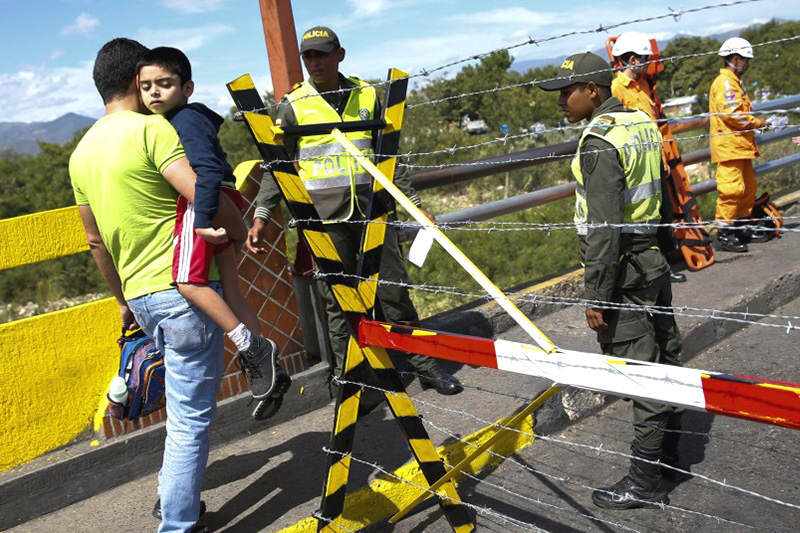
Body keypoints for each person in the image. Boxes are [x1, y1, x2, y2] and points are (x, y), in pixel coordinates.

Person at [69, 38, 244, 533]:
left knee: (181, 417)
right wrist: (237, 231)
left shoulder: (80, 153)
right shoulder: (153, 131)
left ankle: (172, 502)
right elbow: (202, 191)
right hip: (185, 291)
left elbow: (94, 241)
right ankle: (177, 524)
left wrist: (122, 299)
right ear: (134, 80)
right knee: (190, 420)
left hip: (141, 299)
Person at [247, 26, 462, 395]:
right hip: (323, 220)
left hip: (373, 211)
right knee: (339, 301)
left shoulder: (366, 94)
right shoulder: (293, 104)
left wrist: (416, 206)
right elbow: (276, 163)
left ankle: (425, 367)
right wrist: (262, 214)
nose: (314, 62)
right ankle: (351, 380)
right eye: (308, 57)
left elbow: (389, 156)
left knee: (394, 292)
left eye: (321, 55)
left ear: (340, 55)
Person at [540, 52, 683, 509]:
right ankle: (669, 457)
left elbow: (604, 227)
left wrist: (596, 296)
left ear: (594, 92)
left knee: (641, 374)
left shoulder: (600, 140)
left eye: (568, 92)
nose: (561, 101)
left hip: (623, 271)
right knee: (666, 358)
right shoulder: (640, 122)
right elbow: (660, 192)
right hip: (652, 261)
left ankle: (646, 479)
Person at [136, 47, 291, 412]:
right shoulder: (187, 117)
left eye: (165, 84)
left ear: (187, 87)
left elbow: (204, 170)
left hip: (204, 200)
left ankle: (249, 346)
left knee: (188, 282)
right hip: (223, 196)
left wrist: (203, 220)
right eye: (146, 87)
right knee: (233, 292)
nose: (154, 93)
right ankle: (269, 371)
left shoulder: (184, 121)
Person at [610, 31, 686, 283]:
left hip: (657, 161)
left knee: (663, 213)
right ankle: (651, 269)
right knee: (645, 219)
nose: (646, 62)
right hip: (638, 165)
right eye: (643, 58)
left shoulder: (643, 85)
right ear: (632, 59)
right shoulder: (616, 89)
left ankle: (663, 264)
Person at [709, 37, 769, 252]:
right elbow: (734, 116)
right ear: (735, 59)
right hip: (729, 148)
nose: (748, 65)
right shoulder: (725, 83)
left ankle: (742, 226)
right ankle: (724, 233)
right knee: (731, 190)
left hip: (741, 146)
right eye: (746, 60)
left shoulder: (734, 82)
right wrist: (759, 123)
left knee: (747, 188)